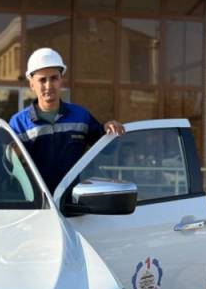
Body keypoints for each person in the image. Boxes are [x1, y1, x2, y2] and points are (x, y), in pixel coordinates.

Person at [8, 48, 125, 192]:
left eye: (54, 78)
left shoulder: (81, 116)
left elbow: (106, 148)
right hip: (38, 200)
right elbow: (9, 165)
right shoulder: (18, 124)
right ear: (32, 84)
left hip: (73, 199)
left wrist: (110, 128)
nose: (48, 85)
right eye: (42, 80)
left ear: (61, 80)